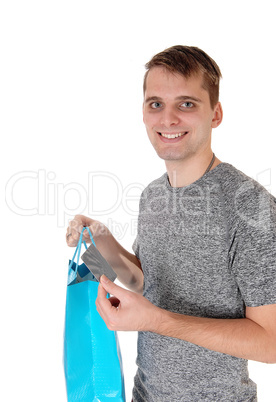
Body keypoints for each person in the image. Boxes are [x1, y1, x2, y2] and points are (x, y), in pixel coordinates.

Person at [66, 45, 276, 401]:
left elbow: (271, 343)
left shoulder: (251, 206)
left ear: (216, 113)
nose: (168, 119)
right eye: (156, 104)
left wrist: (157, 321)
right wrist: (102, 240)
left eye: (187, 104)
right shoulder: (152, 195)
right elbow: (146, 283)